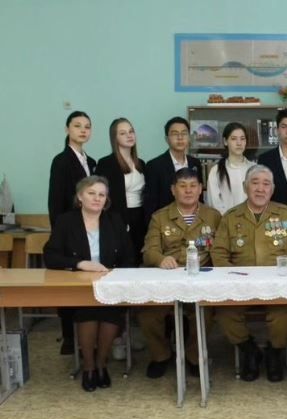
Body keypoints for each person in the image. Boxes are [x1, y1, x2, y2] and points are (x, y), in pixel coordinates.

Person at [211, 165, 287, 383]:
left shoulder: (286, 214)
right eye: (255, 183)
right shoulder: (231, 217)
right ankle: (249, 350)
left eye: (266, 184)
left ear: (272, 189)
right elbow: (219, 253)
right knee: (224, 315)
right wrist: (231, 278)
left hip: (278, 285)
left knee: (282, 318)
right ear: (245, 187)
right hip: (239, 285)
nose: (260, 189)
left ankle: (275, 353)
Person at [43, 176, 134, 392]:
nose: (97, 198)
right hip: (78, 286)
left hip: (110, 284)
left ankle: (101, 363)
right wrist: (79, 264)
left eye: (102, 195)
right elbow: (51, 256)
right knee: (88, 311)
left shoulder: (114, 220)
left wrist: (115, 275)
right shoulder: (66, 221)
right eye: (91, 193)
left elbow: (129, 256)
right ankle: (89, 367)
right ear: (80, 196)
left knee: (110, 312)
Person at [141, 168, 221, 378]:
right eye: (182, 186)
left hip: (201, 279)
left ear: (201, 189)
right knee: (148, 314)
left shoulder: (213, 216)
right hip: (168, 278)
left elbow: (222, 250)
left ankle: (194, 357)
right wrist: (160, 259)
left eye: (193, 186)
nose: (188, 191)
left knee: (204, 313)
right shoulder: (159, 217)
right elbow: (149, 251)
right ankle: (161, 355)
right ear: (173, 190)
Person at [48, 110, 96, 355]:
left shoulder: (91, 161)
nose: (83, 130)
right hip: (69, 229)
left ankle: (89, 335)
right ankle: (68, 336)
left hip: (90, 228)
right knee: (69, 283)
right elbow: (55, 201)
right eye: (77, 126)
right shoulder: (61, 160)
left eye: (87, 126)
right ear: (67, 129)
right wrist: (59, 232)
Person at [96, 118, 146, 265]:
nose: (129, 135)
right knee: (124, 259)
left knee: (139, 259)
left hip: (140, 216)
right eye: (123, 133)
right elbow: (103, 196)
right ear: (115, 138)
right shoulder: (106, 163)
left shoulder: (141, 163)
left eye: (131, 131)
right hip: (119, 216)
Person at [143, 116, 203, 222]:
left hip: (193, 222)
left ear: (189, 137)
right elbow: (150, 204)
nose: (180, 138)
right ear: (167, 139)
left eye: (184, 133)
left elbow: (200, 197)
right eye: (175, 134)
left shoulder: (195, 163)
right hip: (165, 224)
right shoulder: (154, 166)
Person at [206, 122, 254, 214]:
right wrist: (230, 219)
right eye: (234, 139)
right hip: (225, 220)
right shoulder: (216, 171)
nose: (239, 143)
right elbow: (214, 202)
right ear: (225, 141)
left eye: (242, 139)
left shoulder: (254, 168)